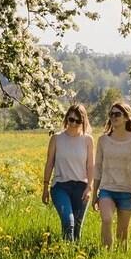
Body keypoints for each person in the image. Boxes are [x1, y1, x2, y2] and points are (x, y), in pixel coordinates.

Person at [93, 99, 131, 248]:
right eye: (111, 114)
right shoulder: (103, 140)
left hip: (127, 192)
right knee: (106, 219)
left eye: (117, 114)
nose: (114, 117)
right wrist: (94, 194)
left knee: (122, 234)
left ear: (125, 117)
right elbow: (97, 167)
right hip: (107, 189)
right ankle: (105, 254)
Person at [40, 103, 94, 242]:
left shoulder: (88, 140)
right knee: (68, 222)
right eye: (71, 120)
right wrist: (45, 187)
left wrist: (89, 188)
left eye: (78, 121)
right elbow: (49, 163)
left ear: (83, 121)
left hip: (81, 187)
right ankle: (64, 252)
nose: (74, 124)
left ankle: (73, 257)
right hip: (60, 187)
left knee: (76, 228)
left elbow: (90, 166)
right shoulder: (57, 138)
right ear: (66, 119)